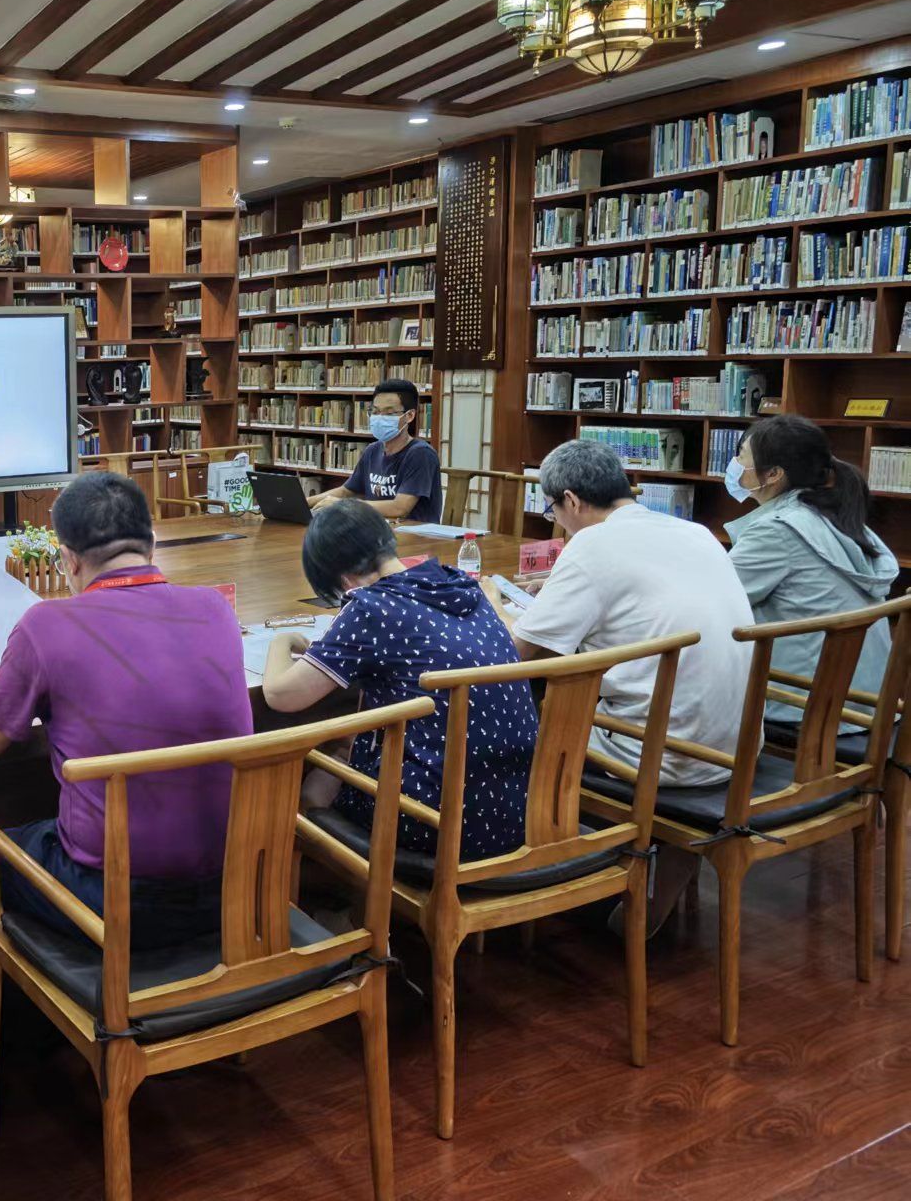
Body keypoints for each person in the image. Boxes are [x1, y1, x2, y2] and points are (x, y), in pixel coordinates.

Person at [0, 471, 250, 946]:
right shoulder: (215, 608)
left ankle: (25, 997)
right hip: (233, 883)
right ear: (152, 544)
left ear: (68, 560)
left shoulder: (45, 624)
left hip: (115, 899)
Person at [492, 440, 756, 930]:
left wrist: (492, 602)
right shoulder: (695, 533)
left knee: (522, 723)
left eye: (553, 510)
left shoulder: (592, 545)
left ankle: (548, 872)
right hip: (734, 745)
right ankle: (668, 867)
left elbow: (522, 655)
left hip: (659, 753)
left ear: (571, 501)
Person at [261, 500, 537, 860]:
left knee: (316, 769)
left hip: (436, 824)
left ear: (343, 581)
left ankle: (322, 888)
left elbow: (281, 695)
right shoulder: (460, 585)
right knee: (349, 743)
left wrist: (282, 641)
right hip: (519, 808)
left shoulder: (370, 607)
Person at [724, 415, 896, 733]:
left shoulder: (777, 531)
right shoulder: (837, 516)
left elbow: (716, 599)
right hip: (865, 702)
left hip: (805, 705)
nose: (734, 465)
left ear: (773, 474)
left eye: (742, 456)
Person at [308, 378, 442, 522]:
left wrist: (343, 505)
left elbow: (400, 508)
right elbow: (347, 491)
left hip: (413, 533)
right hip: (376, 529)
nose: (380, 418)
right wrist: (305, 502)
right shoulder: (373, 450)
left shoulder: (421, 454)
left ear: (409, 416)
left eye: (389, 413)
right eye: (375, 411)